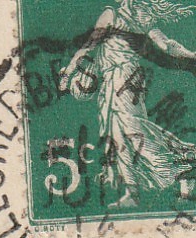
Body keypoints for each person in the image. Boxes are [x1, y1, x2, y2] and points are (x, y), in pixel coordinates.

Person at [60, 1, 196, 207]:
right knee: (118, 135)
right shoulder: (130, 17)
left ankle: (181, 167)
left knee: (133, 132)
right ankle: (136, 191)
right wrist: (190, 55)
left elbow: (89, 46)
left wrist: (69, 72)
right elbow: (167, 45)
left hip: (123, 80)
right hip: (119, 80)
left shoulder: (119, 15)